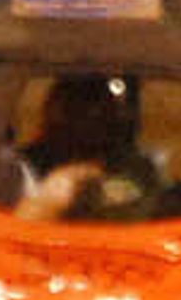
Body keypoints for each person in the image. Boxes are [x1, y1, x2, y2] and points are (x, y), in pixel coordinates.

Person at [12, 75, 163, 222]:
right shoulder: (17, 170)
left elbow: (141, 216)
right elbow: (10, 234)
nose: (87, 121)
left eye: (99, 112)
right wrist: (54, 197)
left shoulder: (134, 170)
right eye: (72, 109)